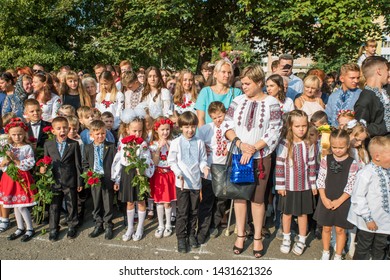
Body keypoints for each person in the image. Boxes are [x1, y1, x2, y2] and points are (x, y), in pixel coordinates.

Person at [225, 64, 283, 258]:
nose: (244, 87)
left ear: (259, 83)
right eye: (243, 83)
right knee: (240, 197)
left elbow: (274, 130)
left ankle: (257, 236)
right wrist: (241, 145)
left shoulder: (272, 103)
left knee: (258, 200)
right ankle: (241, 234)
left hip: (260, 157)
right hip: (239, 154)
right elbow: (227, 125)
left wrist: (254, 148)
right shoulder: (237, 100)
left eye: (248, 83)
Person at [275, 110, 317, 256]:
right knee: (286, 214)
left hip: (304, 186)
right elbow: (279, 164)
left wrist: (313, 184)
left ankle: (301, 240)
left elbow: (312, 165)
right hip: (288, 186)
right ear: (290, 126)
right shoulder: (285, 143)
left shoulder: (309, 143)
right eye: (297, 126)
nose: (301, 129)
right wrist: (280, 185)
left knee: (302, 215)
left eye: (304, 126)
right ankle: (286, 238)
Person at [167, 111, 209, 253]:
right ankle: (181, 237)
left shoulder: (199, 142)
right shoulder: (176, 143)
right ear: (180, 127)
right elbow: (171, 161)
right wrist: (178, 173)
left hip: (196, 183)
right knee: (183, 212)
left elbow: (203, 159)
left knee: (194, 210)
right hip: (182, 183)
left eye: (193, 127)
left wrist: (204, 167)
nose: (190, 130)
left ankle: (191, 234)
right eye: (186, 127)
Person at [314, 129, 359, 260]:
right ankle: (326, 251)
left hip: (343, 200)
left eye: (341, 147)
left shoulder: (352, 163)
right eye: (334, 147)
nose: (337, 150)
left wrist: (339, 201)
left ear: (348, 146)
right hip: (326, 198)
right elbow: (321, 180)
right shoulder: (325, 159)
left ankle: (338, 255)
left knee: (340, 230)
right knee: (326, 228)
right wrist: (323, 198)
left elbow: (351, 185)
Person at [111, 107, 155, 242]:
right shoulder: (123, 143)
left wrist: (143, 169)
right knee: (130, 202)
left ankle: (140, 227)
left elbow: (148, 159)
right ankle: (130, 227)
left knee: (141, 201)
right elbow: (118, 160)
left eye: (140, 131)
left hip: (139, 174)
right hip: (127, 174)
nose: (137, 133)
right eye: (134, 130)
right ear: (127, 129)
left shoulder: (143, 144)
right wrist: (117, 179)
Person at [347, 136, 390, 260]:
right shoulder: (366, 173)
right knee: (363, 246)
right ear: (377, 156)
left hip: (385, 219)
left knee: (380, 246)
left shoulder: (387, 170)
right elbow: (358, 198)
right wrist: (368, 218)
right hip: (369, 220)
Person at [41, 117, 83, 241]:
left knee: (71, 204)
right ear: (53, 131)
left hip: (70, 180)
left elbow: (77, 164)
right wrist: (43, 169)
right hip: (54, 180)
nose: (62, 130)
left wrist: (80, 181)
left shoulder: (73, 144)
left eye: (65, 127)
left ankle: (72, 226)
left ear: (68, 128)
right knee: (54, 206)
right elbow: (45, 161)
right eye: (58, 128)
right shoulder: (48, 144)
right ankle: (54, 228)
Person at [197, 101, 233, 244]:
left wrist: (229, 146)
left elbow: (236, 140)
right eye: (214, 117)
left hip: (224, 167)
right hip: (210, 169)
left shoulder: (230, 127)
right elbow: (197, 143)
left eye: (220, 116)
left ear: (224, 113)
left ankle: (214, 224)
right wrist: (202, 148)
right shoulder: (205, 129)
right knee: (207, 198)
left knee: (220, 199)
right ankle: (203, 228)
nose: (218, 120)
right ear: (210, 117)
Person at [0, 118, 36, 242]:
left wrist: (15, 159)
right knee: (15, 205)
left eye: (20, 134)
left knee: (21, 206)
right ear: (9, 135)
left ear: (24, 134)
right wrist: (5, 160)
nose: (17, 137)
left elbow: (30, 163)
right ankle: (20, 228)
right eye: (14, 134)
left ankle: (30, 228)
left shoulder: (27, 147)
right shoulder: (7, 147)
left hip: (22, 178)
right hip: (9, 178)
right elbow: (2, 163)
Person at [82, 120, 116, 240]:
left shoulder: (111, 147)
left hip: (107, 178)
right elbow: (85, 163)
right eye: (97, 134)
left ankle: (108, 224)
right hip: (94, 180)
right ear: (91, 135)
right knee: (96, 202)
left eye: (103, 133)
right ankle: (98, 224)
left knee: (107, 202)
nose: (100, 136)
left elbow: (115, 165)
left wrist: (115, 180)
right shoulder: (87, 148)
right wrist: (88, 175)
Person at [149, 116, 176, 238]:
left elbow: (173, 159)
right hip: (158, 175)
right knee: (159, 202)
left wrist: (169, 147)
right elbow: (154, 162)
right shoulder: (153, 144)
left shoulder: (173, 142)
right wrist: (159, 148)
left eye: (167, 129)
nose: (165, 132)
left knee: (167, 202)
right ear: (156, 130)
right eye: (162, 129)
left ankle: (169, 224)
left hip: (169, 174)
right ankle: (160, 225)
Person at [195, 59, 242, 127]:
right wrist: (203, 136)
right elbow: (201, 119)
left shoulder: (236, 93)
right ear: (215, 74)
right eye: (223, 72)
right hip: (208, 134)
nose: (227, 75)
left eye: (229, 73)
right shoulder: (205, 92)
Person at [354, 56, 389, 137]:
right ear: (379, 71)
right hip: (378, 146)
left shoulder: (386, 90)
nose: (388, 73)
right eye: (387, 70)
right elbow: (361, 129)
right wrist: (386, 126)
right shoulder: (365, 99)